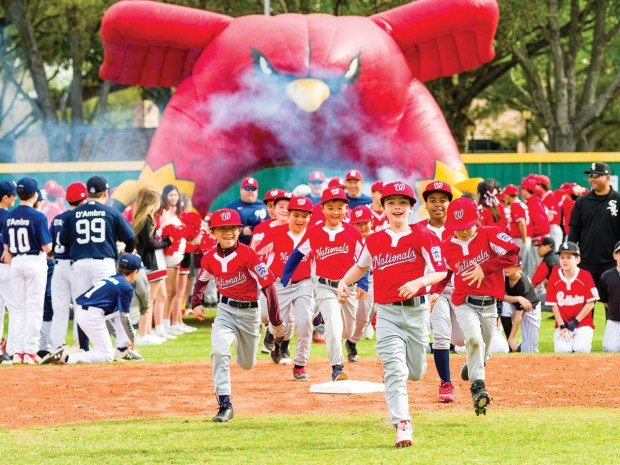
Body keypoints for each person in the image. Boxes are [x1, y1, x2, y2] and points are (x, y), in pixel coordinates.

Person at [337, 181, 447, 448]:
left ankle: (404, 387)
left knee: (416, 371)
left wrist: (419, 283)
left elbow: (441, 270)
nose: (396, 207)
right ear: (383, 207)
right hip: (386, 313)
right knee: (395, 370)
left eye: (402, 203)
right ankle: (402, 424)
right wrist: (344, 281)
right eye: (391, 203)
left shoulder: (424, 236)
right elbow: (360, 267)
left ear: (411, 207)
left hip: (417, 311)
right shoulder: (374, 239)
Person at [190, 208, 285, 423]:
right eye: (222, 229)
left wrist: (275, 322)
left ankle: (263, 336)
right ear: (214, 232)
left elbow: (268, 287)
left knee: (247, 364)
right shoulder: (209, 258)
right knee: (220, 352)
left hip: (250, 313)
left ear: (240, 230)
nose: (228, 233)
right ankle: (225, 405)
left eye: (232, 228)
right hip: (224, 311)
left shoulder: (249, 255)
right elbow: (202, 280)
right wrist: (196, 302)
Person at [441, 198, 519, 416]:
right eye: (457, 229)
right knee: (474, 340)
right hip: (464, 302)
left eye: (466, 227)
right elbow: (444, 274)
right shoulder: (447, 246)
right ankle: (478, 389)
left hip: (489, 305)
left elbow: (513, 253)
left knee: (484, 346)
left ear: (476, 221)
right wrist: (433, 294)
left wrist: (485, 268)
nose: (462, 233)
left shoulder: (489, 234)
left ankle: (475, 365)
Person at [282, 187, 365, 382]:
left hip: (349, 289)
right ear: (322, 210)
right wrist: (286, 275)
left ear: (346, 208)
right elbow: (297, 254)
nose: (335, 212)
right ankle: (337, 366)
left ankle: (322, 319)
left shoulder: (353, 233)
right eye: (330, 207)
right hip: (325, 287)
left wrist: (364, 284)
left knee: (348, 331)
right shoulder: (314, 232)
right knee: (334, 325)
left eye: (339, 207)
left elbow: (364, 260)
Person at [59, 175, 136, 351]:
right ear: (106, 193)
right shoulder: (111, 212)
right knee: (113, 304)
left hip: (80, 264)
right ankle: (122, 347)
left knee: (82, 305)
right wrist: (127, 251)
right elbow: (130, 237)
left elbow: (63, 241)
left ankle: (83, 347)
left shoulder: (73, 214)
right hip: (104, 263)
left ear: (87, 193)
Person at [42, 253, 142, 365]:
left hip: (82, 311)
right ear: (135, 272)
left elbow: (114, 314)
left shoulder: (112, 279)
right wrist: (132, 339)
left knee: (117, 317)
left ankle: (122, 349)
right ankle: (67, 357)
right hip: (91, 315)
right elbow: (125, 317)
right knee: (106, 355)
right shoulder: (126, 287)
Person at [255, 195, 314, 378]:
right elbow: (256, 254)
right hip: (279, 284)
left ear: (309, 217)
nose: (300, 219)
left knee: (305, 323)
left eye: (304, 216)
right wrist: (262, 275)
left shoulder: (313, 235)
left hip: (303, 284)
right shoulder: (275, 233)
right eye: (296, 214)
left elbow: (317, 261)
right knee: (281, 326)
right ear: (289, 214)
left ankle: (300, 364)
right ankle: (271, 332)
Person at [418, 181, 464, 403]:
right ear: (425, 204)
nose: (438, 204)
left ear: (450, 203)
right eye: (432, 200)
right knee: (441, 335)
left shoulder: (460, 227)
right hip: (433, 292)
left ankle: (480, 355)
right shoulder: (417, 229)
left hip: (460, 289)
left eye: (443, 200)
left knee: (464, 340)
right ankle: (446, 383)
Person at [1, 177, 53, 364]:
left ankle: (17, 352)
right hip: (34, 261)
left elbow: (6, 244)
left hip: (16, 263)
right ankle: (30, 351)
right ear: (35, 194)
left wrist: (8, 251)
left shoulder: (10, 215)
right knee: (34, 308)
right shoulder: (38, 216)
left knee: (20, 308)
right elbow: (47, 247)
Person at [48, 182, 88, 352]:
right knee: (80, 306)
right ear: (83, 199)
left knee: (59, 309)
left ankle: (56, 346)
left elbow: (50, 248)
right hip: (75, 265)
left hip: (58, 266)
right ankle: (78, 344)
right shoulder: (80, 218)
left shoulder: (58, 218)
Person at [568, 162, 620, 286]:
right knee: (585, 303)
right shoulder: (582, 202)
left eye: (596, 175)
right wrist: (571, 253)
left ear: (607, 178)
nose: (592, 179)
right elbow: (574, 230)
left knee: (614, 303)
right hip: (586, 262)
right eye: (590, 176)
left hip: (613, 262)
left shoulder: (618, 200)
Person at [132, 187, 171, 345]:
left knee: (152, 300)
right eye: (155, 203)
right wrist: (167, 242)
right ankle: (142, 335)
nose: (157, 207)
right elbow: (149, 243)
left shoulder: (145, 218)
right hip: (149, 263)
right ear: (150, 203)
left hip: (151, 263)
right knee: (148, 301)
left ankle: (146, 332)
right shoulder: (146, 219)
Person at [545, 241, 599, 353]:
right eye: (562, 257)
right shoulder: (554, 277)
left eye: (569, 257)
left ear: (577, 260)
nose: (564, 260)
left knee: (581, 349)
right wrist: (563, 326)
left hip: (583, 323)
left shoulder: (585, 276)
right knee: (562, 351)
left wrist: (574, 323)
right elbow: (554, 305)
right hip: (563, 324)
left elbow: (590, 303)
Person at [502, 259, 541, 353]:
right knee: (505, 307)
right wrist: (518, 298)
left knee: (530, 350)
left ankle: (518, 346)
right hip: (513, 304)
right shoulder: (504, 277)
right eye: (505, 264)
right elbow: (499, 296)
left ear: (519, 268)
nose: (506, 268)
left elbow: (518, 316)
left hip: (531, 309)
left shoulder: (523, 284)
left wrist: (513, 337)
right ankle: (511, 346)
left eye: (511, 265)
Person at [0, 180, 16, 364]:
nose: (15, 198)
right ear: (6, 197)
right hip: (6, 267)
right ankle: (11, 350)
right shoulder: (9, 217)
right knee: (15, 309)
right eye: (13, 195)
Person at [520, 177, 550, 276]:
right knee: (532, 269)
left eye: (522, 189)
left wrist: (531, 236)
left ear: (525, 189)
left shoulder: (533, 202)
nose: (521, 191)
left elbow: (541, 224)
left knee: (536, 270)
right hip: (539, 239)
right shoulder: (534, 200)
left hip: (539, 240)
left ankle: (539, 292)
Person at [224, 177, 267, 246]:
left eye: (253, 189)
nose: (250, 191)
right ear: (241, 190)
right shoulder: (231, 208)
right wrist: (242, 232)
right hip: (238, 248)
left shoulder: (265, 206)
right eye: (247, 188)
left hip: (262, 247)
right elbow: (222, 231)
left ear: (257, 191)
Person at [598, 241, 620, 352]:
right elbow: (605, 301)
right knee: (610, 349)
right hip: (614, 320)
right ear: (615, 255)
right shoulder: (606, 276)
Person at [503, 184, 532, 266]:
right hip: (524, 237)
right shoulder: (521, 204)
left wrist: (524, 240)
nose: (505, 197)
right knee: (523, 266)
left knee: (517, 266)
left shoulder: (515, 205)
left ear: (509, 195)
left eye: (506, 194)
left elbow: (522, 223)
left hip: (520, 238)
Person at [538, 175, 562, 251]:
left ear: (541, 186)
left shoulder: (550, 196)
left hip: (553, 228)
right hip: (548, 228)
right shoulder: (544, 197)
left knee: (554, 252)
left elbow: (550, 217)